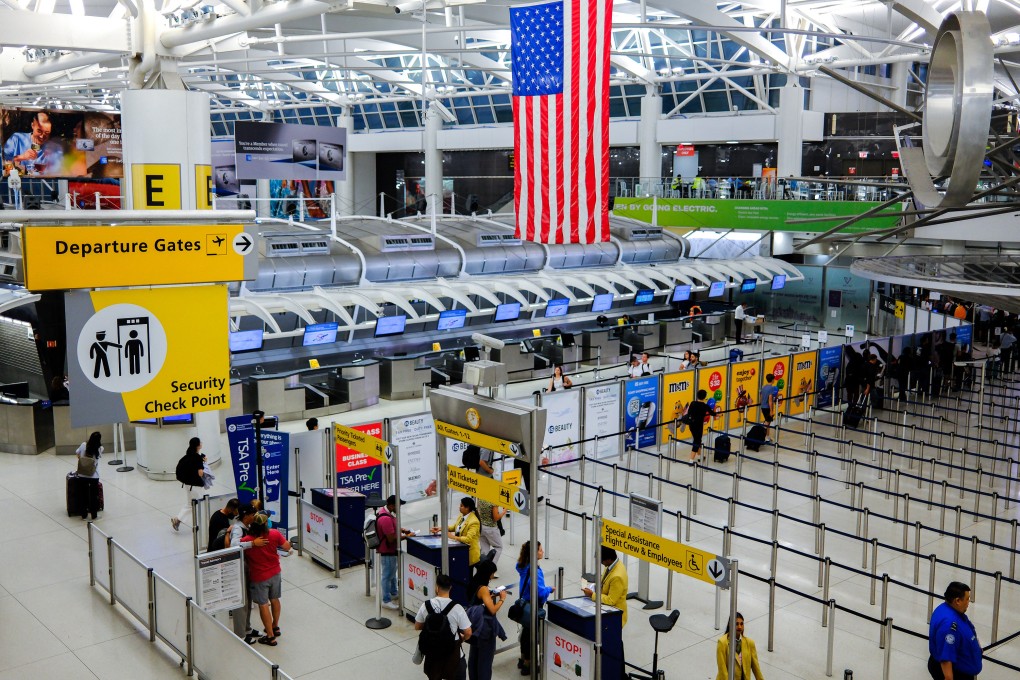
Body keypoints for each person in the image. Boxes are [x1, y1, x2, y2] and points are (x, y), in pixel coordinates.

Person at [241, 512, 291, 646]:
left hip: (259, 577)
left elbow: (235, 548)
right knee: (274, 599)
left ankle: (270, 636)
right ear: (265, 524)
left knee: (263, 605)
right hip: (275, 572)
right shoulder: (274, 534)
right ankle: (275, 626)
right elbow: (287, 546)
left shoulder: (247, 541)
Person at [225, 503, 269, 643]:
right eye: (252, 514)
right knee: (241, 601)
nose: (254, 516)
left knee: (248, 599)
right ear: (245, 516)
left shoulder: (247, 527)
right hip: (239, 567)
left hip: (248, 566)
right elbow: (233, 545)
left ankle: (247, 628)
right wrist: (252, 544)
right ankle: (240, 634)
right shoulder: (238, 528)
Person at [415, 572, 472, 680]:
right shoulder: (457, 608)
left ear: (437, 587)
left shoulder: (426, 605)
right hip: (453, 655)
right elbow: (468, 631)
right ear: (450, 588)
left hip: (433, 654)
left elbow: (417, 626)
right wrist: (462, 639)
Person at [928, 582, 982, 680]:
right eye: (967, 599)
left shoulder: (948, 609)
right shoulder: (949, 625)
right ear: (957, 600)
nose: (968, 602)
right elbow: (946, 657)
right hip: (957, 673)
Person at [516, 541, 553, 676]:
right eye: (540, 550)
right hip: (533, 605)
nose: (542, 551)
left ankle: (523, 658)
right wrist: (550, 589)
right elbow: (540, 592)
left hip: (524, 603)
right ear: (534, 553)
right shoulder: (535, 571)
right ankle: (528, 663)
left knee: (525, 632)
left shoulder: (523, 566)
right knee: (531, 635)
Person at [467, 559, 507, 680]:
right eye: (492, 573)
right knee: (485, 661)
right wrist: (502, 599)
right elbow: (492, 610)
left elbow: (478, 599)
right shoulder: (484, 589)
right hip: (485, 628)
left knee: (474, 657)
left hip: (473, 625)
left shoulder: (473, 582)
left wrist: (488, 597)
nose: (493, 576)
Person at [377, 494, 413, 610]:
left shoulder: (386, 512)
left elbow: (392, 528)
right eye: (399, 506)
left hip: (390, 551)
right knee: (387, 576)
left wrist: (402, 530)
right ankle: (386, 600)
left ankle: (393, 592)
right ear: (392, 506)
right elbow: (391, 538)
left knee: (392, 574)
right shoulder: (386, 518)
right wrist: (407, 536)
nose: (400, 508)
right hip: (387, 551)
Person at [583, 546, 628, 627]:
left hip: (613, 615)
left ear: (608, 559)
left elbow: (611, 600)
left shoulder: (617, 577)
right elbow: (605, 582)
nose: (601, 563)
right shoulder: (611, 565)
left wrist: (592, 595)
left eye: (601, 561)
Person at [433, 496, 481, 566]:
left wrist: (453, 537)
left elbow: (468, 539)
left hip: (469, 554)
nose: (459, 507)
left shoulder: (474, 522)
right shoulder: (461, 515)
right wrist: (441, 528)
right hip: (460, 550)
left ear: (467, 508)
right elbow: (455, 527)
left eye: (461, 506)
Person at [716, 612, 765, 680]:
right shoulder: (722, 642)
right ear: (730, 625)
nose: (739, 627)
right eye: (737, 624)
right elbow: (722, 669)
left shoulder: (750, 643)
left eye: (742, 624)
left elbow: (756, 668)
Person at [171, 437, 205, 532]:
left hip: (187, 484)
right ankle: (199, 525)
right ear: (198, 445)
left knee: (190, 504)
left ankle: (177, 519)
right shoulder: (197, 457)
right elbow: (200, 473)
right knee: (198, 505)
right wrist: (203, 465)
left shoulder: (188, 455)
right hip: (195, 485)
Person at [75, 431, 102, 520]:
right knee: (94, 495)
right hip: (94, 475)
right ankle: (94, 515)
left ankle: (84, 515)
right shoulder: (100, 448)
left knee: (83, 494)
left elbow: (77, 452)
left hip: (82, 474)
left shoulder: (83, 445)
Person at [477, 498, 506, 569]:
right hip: (491, 528)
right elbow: (496, 518)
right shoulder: (493, 501)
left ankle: (482, 566)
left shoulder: (480, 498)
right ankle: (490, 568)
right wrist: (504, 512)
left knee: (484, 548)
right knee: (498, 547)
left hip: (481, 526)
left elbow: (478, 511)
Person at [685, 389, 712, 462]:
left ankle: (700, 455)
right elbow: (713, 413)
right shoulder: (705, 406)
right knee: (697, 441)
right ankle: (691, 460)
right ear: (704, 397)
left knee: (697, 439)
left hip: (691, 425)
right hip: (699, 426)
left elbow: (689, 412)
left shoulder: (693, 403)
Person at [759, 374, 778, 443]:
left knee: (768, 422)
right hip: (767, 407)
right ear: (772, 380)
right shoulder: (771, 388)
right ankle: (762, 435)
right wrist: (771, 410)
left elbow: (760, 397)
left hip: (763, 406)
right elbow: (770, 400)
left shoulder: (764, 387)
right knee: (767, 422)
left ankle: (767, 436)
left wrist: (761, 405)